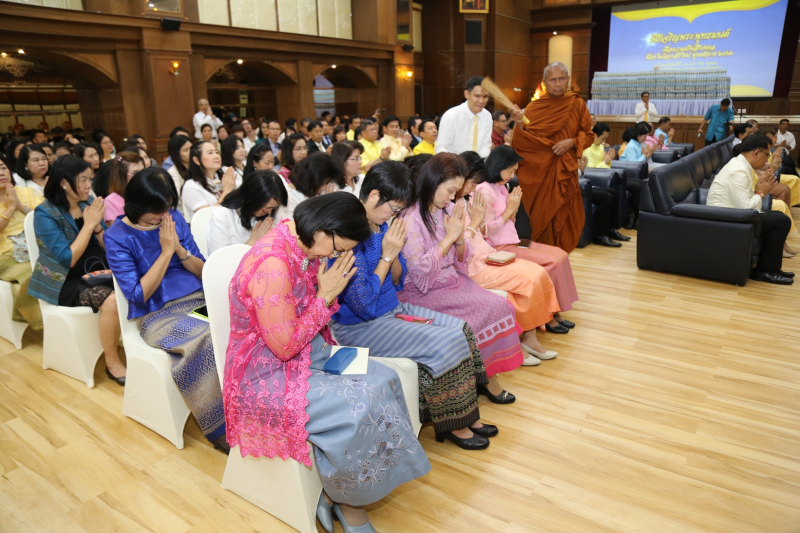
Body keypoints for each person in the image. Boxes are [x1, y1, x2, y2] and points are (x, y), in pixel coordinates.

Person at [225, 192, 431, 533]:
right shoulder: (272, 264)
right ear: (322, 228)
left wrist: (324, 294)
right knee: (358, 404)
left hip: (311, 351)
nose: (336, 255)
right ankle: (349, 504)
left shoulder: (303, 246)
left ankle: (339, 491)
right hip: (268, 374)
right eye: (337, 247)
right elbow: (284, 346)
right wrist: (325, 295)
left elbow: (307, 325)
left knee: (384, 377)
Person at [331, 161, 497, 450]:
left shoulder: (382, 226)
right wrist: (386, 256)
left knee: (461, 330)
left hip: (392, 310)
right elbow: (364, 306)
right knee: (446, 342)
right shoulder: (348, 234)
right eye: (393, 209)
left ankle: (467, 416)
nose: (395, 216)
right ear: (373, 196)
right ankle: (453, 423)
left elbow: (398, 281)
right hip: (361, 327)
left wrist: (392, 256)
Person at [104, 168, 227, 448]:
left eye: (166, 208)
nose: (162, 216)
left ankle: (256, 407)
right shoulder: (117, 236)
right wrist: (166, 251)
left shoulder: (173, 219)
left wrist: (181, 252)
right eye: (155, 211)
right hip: (157, 313)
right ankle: (222, 429)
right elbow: (137, 296)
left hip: (197, 297)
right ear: (137, 206)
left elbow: (202, 270)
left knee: (240, 324)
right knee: (205, 340)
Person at [400, 153, 524, 404]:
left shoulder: (446, 208)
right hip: (423, 291)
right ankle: (483, 378)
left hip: (450, 280)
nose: (452, 197)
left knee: (501, 306)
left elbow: (462, 258)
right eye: (449, 190)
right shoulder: (411, 218)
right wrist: (450, 239)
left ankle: (485, 374)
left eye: (455, 191)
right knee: (486, 310)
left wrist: (459, 239)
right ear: (432, 182)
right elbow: (419, 272)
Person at [457, 151, 560, 365]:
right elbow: (464, 245)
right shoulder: (454, 205)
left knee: (537, 272)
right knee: (528, 278)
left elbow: (481, 233)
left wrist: (509, 211)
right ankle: (522, 340)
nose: (476, 187)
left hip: (485, 253)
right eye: (473, 182)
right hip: (471, 265)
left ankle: (528, 337)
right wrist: (477, 224)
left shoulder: (468, 197)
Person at [29, 156, 125, 384]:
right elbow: (67, 259)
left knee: (140, 280)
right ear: (64, 183)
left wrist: (100, 229)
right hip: (66, 281)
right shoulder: (45, 214)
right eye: (82, 180)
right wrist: (90, 224)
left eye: (89, 179)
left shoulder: (87, 203)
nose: (88, 185)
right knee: (111, 301)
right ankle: (112, 363)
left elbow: (105, 246)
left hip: (99, 270)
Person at [476, 146, 580, 332]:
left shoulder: (501, 187)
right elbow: (486, 231)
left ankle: (555, 311)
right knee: (551, 262)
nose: (512, 175)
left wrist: (513, 211)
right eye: (511, 170)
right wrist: (510, 210)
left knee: (560, 255)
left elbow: (508, 221)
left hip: (512, 240)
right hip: (498, 247)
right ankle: (548, 316)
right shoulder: (483, 191)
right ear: (499, 165)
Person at [512, 61, 593, 252]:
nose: (557, 83)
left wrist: (571, 142)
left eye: (561, 79)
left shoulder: (577, 104)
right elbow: (523, 142)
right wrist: (518, 124)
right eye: (553, 80)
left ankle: (560, 264)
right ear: (545, 82)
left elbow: (589, 135)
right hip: (541, 176)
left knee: (565, 224)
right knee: (543, 222)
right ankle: (544, 267)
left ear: (568, 80)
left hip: (566, 173)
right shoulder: (533, 108)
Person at [707, 135, 793, 284]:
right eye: (766, 155)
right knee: (781, 221)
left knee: (778, 217)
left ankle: (771, 269)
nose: (767, 160)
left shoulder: (741, 165)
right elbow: (745, 209)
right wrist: (760, 193)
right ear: (755, 153)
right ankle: (764, 271)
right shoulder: (738, 170)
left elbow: (746, 204)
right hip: (725, 218)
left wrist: (759, 192)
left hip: (733, 212)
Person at [0, 153, 44, 331]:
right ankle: (43, 322)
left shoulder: (27, 193)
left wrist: (21, 206)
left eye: (3, 167)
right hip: (6, 255)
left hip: (37, 248)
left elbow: (45, 218)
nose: (1, 172)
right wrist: (10, 209)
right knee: (32, 272)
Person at [206, 170, 286, 255]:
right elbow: (219, 261)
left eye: (273, 208)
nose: (269, 212)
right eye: (266, 208)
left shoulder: (264, 217)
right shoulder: (222, 216)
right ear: (252, 198)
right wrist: (253, 241)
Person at [437, 77, 521, 158]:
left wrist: (480, 162)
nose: (481, 101)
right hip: (455, 167)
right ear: (467, 94)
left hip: (478, 167)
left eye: (485, 97)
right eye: (477, 96)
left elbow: (486, 145)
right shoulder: (451, 116)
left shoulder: (487, 116)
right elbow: (441, 148)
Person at [181, 141, 236, 222]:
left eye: (216, 152)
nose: (216, 156)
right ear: (197, 160)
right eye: (210, 153)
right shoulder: (191, 186)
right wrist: (227, 191)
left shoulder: (224, 177)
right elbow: (207, 218)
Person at [284, 152, 346, 220]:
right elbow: (308, 226)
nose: (325, 188)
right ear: (312, 178)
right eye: (325, 183)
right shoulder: (291, 198)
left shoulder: (311, 194)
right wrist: (325, 204)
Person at [104, 152, 145, 226]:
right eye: (135, 173)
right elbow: (116, 233)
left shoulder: (147, 193)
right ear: (121, 176)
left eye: (143, 171)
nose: (141, 176)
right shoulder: (111, 201)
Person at [166, 134, 192, 213]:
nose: (191, 152)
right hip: (184, 212)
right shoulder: (172, 173)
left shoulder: (199, 166)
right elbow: (177, 198)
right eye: (186, 150)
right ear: (176, 154)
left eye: (192, 148)